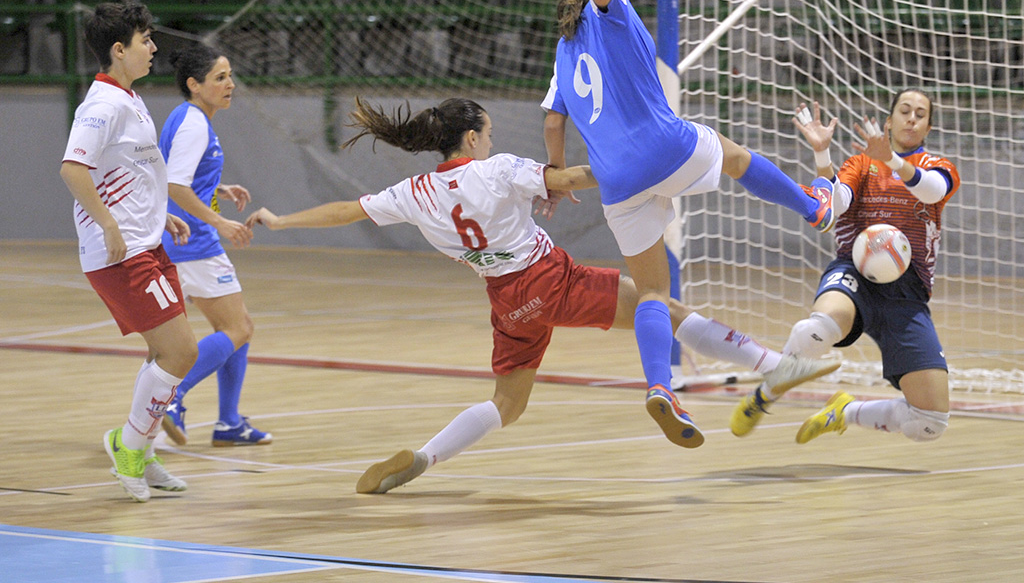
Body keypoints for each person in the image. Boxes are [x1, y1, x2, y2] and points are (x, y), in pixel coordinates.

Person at [246, 97, 837, 493]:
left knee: (508, 403)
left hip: (506, 300)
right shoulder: (497, 169)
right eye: (490, 133)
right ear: (472, 136)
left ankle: (424, 458)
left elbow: (347, 209)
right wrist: (637, 166)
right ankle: (775, 365)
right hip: (550, 279)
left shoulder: (416, 191)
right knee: (661, 305)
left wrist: (281, 220)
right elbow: (571, 178)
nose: (492, 140)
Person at [541, 0, 836, 439]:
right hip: (662, 148)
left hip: (616, 182)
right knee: (736, 156)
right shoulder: (613, 10)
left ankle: (660, 387)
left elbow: (554, 124)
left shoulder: (563, 47)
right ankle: (813, 208)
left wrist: (556, 176)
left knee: (652, 293)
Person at [729, 91, 960, 444]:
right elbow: (834, 204)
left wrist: (895, 162)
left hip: (907, 293)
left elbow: (931, 192)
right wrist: (822, 153)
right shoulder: (862, 164)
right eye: (904, 111)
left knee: (929, 423)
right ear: (888, 121)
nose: (911, 118)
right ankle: (766, 396)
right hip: (854, 274)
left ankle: (845, 411)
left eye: (920, 114)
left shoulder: (938, 166)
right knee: (816, 329)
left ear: (928, 126)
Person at [59, 0, 198, 502]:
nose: (154, 47)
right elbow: (74, 169)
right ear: (119, 50)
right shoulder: (103, 105)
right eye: (145, 40)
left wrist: (161, 212)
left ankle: (144, 444)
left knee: (161, 352)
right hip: (121, 253)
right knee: (183, 351)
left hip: (147, 241)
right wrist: (110, 224)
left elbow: (133, 172)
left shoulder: (130, 97)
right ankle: (128, 444)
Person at [157, 44, 272, 447]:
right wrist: (220, 220)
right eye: (220, 78)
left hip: (180, 240)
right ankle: (170, 397)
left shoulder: (186, 117)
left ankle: (228, 423)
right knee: (238, 328)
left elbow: (169, 170)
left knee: (236, 327)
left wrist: (217, 187)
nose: (230, 84)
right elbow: (174, 184)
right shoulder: (194, 123)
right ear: (195, 84)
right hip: (193, 242)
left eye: (229, 76)